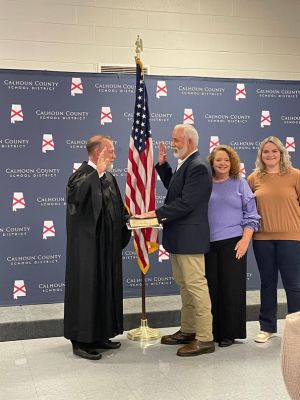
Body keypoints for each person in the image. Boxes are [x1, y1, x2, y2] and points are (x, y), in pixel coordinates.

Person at [135, 124, 215, 357]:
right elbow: (176, 190)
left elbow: (186, 202)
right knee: (185, 287)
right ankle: (189, 330)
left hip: (189, 240)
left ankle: (205, 338)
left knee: (196, 288)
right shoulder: (187, 164)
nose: (173, 144)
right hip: (179, 238)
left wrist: (155, 214)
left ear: (190, 141)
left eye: (177, 140)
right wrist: (163, 166)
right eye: (173, 139)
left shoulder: (199, 166)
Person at [64, 135, 131, 360]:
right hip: (88, 253)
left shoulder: (110, 178)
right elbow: (76, 201)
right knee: (88, 291)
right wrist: (96, 174)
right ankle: (82, 341)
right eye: (110, 151)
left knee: (105, 289)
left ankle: (102, 334)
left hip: (107, 250)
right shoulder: (80, 177)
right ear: (97, 153)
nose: (114, 155)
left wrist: (130, 220)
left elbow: (118, 209)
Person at [205, 145, 260, 347]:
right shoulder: (205, 184)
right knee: (211, 289)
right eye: (218, 160)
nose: (222, 163)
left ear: (232, 163)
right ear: (211, 162)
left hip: (234, 242)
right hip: (207, 244)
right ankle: (212, 331)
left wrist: (245, 240)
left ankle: (229, 333)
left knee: (231, 288)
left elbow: (252, 214)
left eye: (226, 160)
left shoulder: (240, 183)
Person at [248, 136, 300, 343]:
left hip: (291, 238)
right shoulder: (253, 178)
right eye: (265, 152)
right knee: (267, 283)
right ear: (260, 155)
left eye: (274, 151)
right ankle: (266, 327)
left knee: (293, 284)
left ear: (282, 153)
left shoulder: (295, 176)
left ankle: (296, 328)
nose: (270, 155)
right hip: (262, 240)